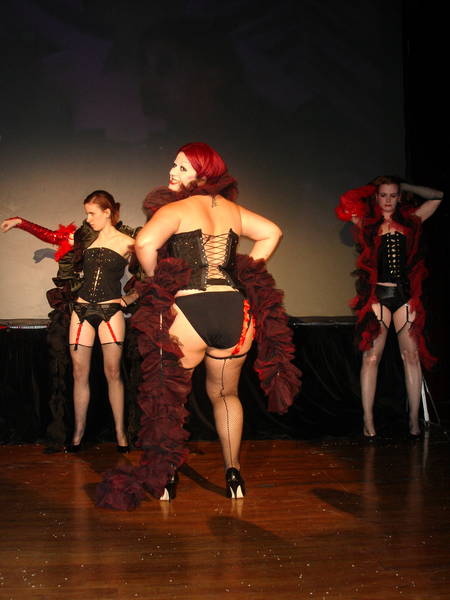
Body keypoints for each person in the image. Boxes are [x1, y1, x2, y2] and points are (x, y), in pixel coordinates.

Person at [96, 143, 301, 509]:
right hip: (234, 308)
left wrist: (157, 280)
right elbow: (272, 232)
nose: (172, 172)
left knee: (169, 397)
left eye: (181, 167)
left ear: (202, 174)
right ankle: (234, 475)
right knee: (226, 395)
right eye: (173, 165)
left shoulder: (175, 209)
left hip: (188, 307)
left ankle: (166, 478)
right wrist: (244, 270)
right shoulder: (233, 210)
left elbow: (144, 242)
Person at [1, 191, 140, 452]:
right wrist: (20, 222)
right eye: (86, 213)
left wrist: (129, 297)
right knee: (78, 373)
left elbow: (151, 274)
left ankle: (121, 434)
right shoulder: (83, 238)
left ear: (107, 212)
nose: (88, 219)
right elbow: (52, 236)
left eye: (92, 213)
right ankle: (77, 433)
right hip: (82, 309)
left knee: (113, 373)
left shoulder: (129, 242)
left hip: (111, 311)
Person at [336, 176, 443, 439]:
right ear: (376, 197)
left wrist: (405, 185)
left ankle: (414, 420)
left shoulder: (412, 220)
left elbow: (437, 196)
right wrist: (372, 186)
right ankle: (368, 420)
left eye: (393, 195)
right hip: (378, 296)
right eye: (383, 195)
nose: (388, 200)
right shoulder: (366, 222)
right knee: (372, 358)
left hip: (405, 295)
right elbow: (346, 201)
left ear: (399, 197)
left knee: (411, 357)